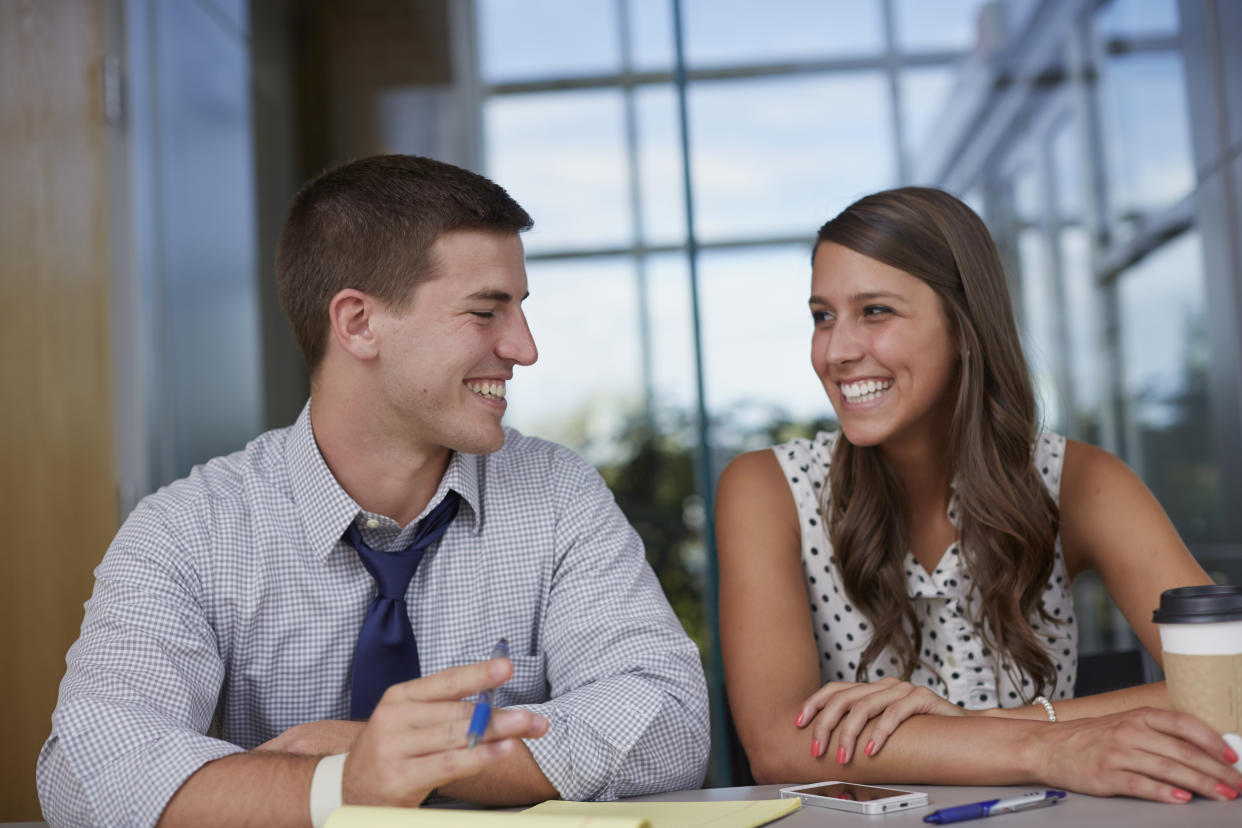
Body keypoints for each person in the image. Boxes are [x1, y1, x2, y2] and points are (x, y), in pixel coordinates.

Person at [38, 154, 710, 827]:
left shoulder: (558, 495)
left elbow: (671, 724)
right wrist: (345, 786)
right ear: (358, 323)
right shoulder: (188, 531)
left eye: (520, 311)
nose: (524, 349)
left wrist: (409, 752)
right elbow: (86, 774)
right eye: (486, 312)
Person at [716, 187, 1242, 804]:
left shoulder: (1079, 479)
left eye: (876, 311)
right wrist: (1048, 746)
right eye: (823, 316)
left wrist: (966, 730)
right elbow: (778, 745)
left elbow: (1228, 683)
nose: (837, 350)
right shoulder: (766, 488)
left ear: (965, 329)